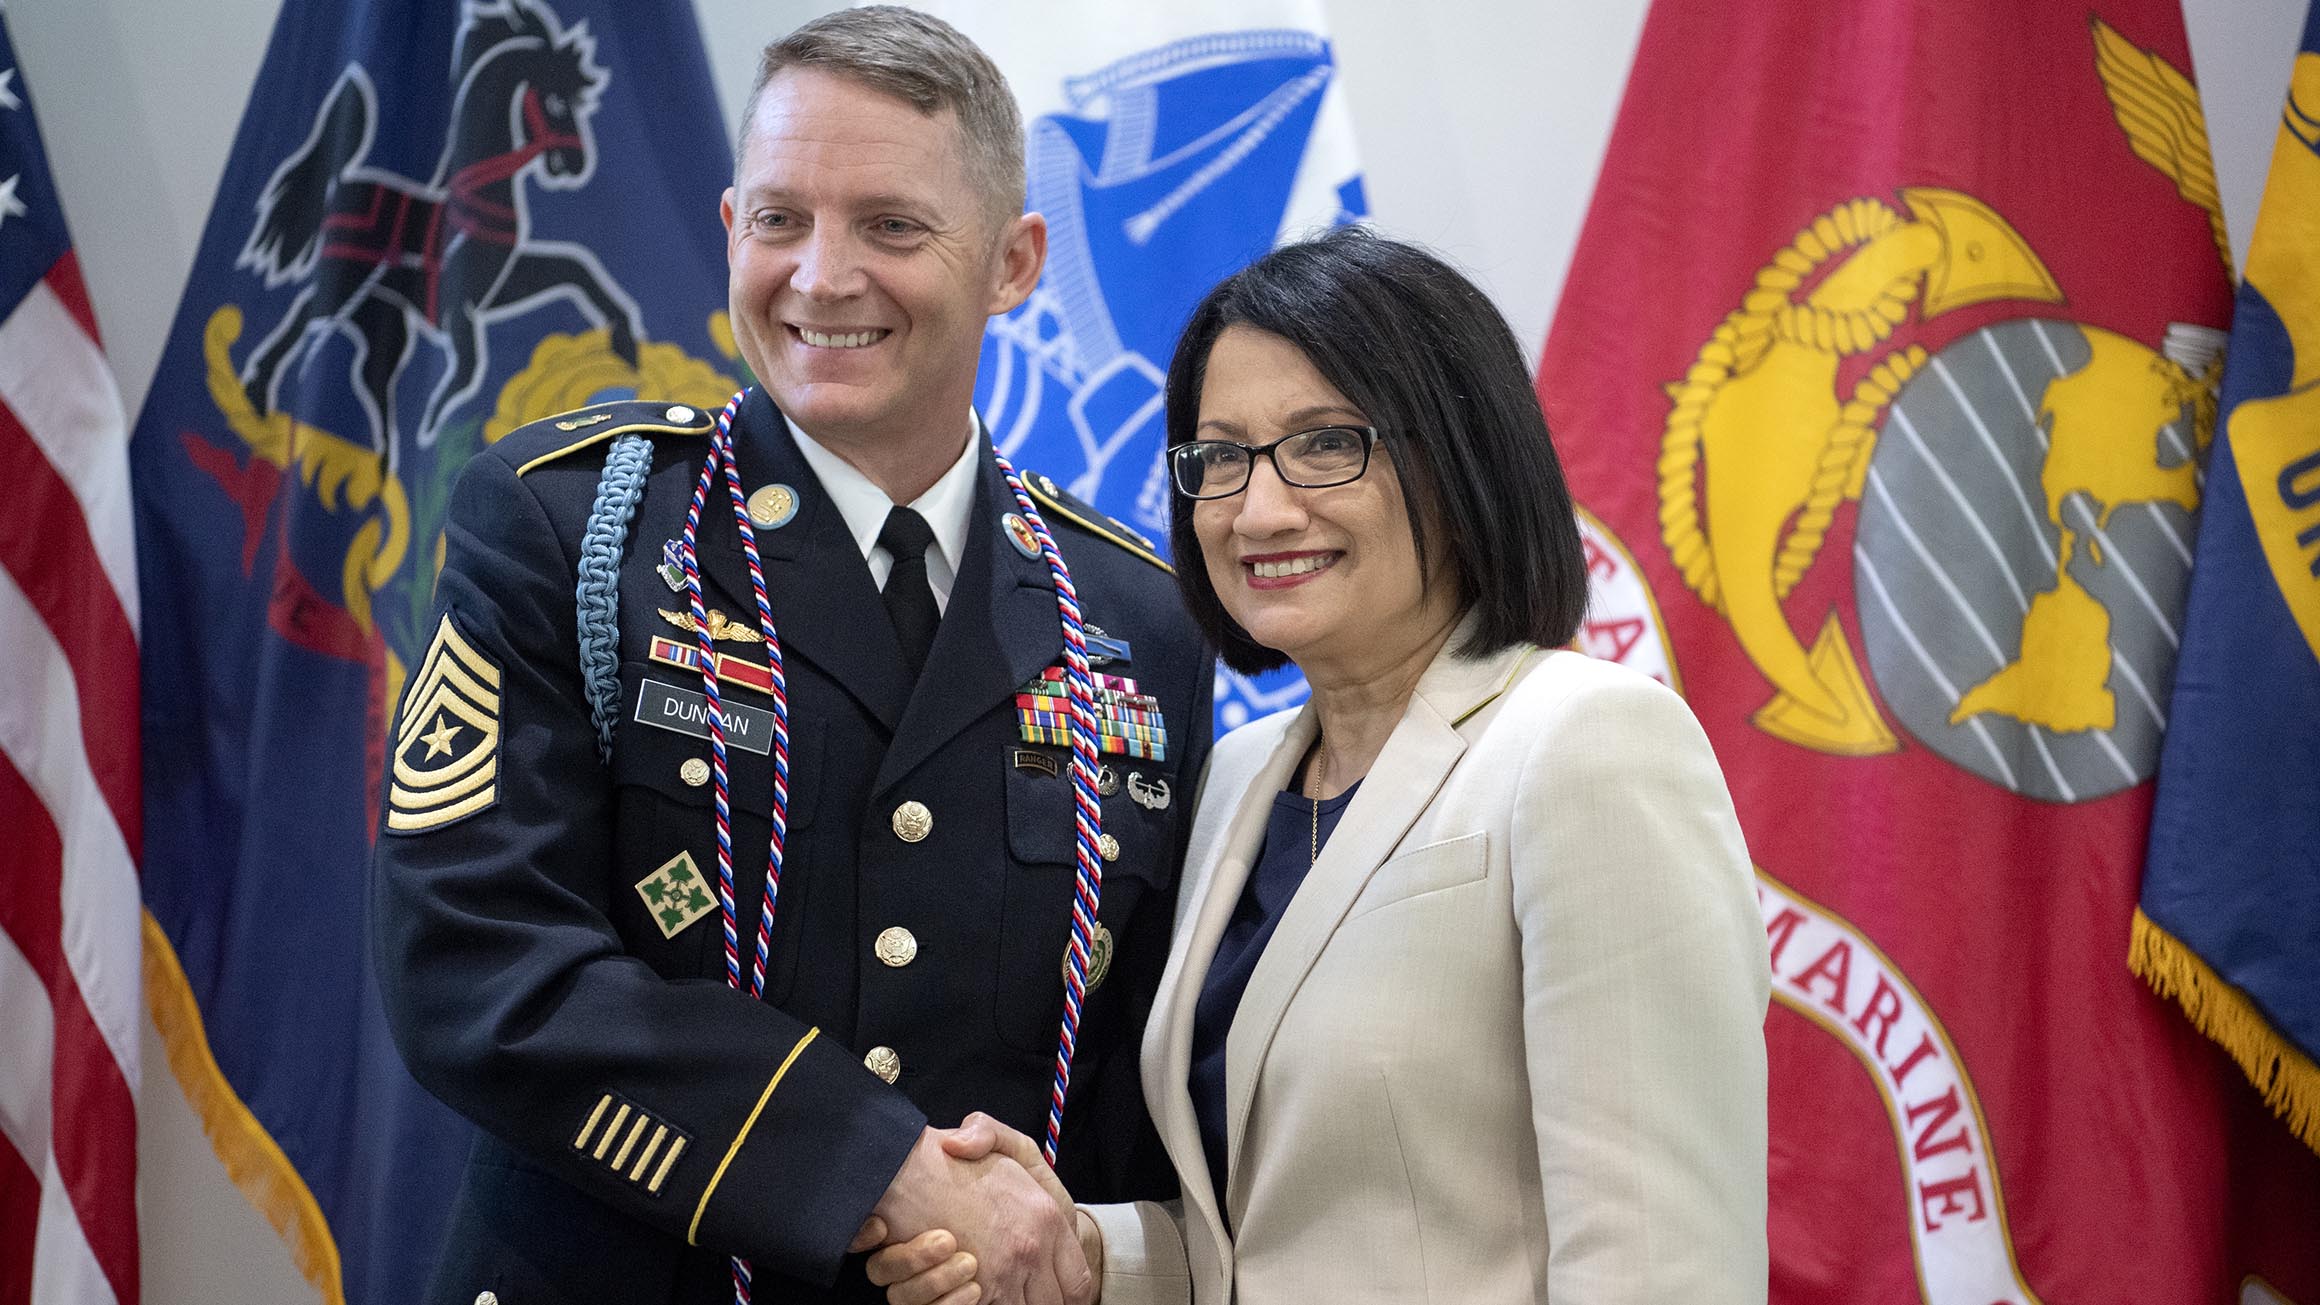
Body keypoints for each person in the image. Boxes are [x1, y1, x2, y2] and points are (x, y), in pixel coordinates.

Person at [371, 9, 1212, 1304]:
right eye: (778, 220)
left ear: (1014, 261)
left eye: (891, 225)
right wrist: (871, 1165)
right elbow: (473, 959)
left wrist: (1088, 1242)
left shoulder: (1138, 616)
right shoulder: (566, 526)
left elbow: (1147, 1069)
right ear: (729, 232)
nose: (821, 276)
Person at [871, 227, 1770, 1305]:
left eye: (1323, 445)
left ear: (1459, 456)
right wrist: (1078, 1248)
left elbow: (1661, 1267)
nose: (1259, 509)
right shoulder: (1239, 781)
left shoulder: (1588, 744)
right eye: (1221, 458)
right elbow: (1281, 1233)